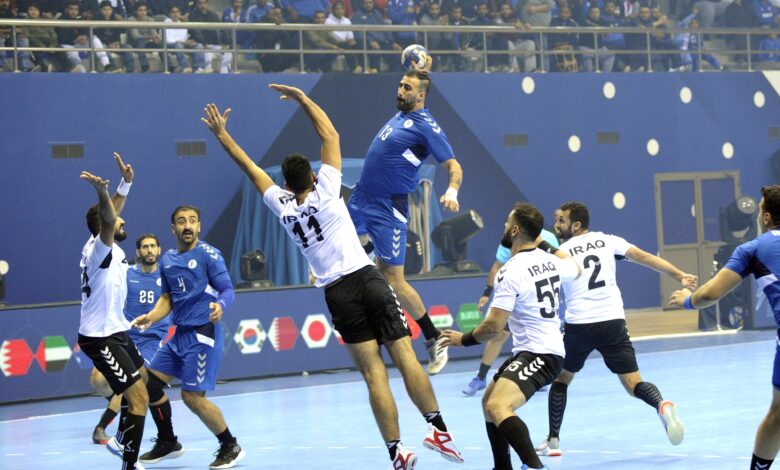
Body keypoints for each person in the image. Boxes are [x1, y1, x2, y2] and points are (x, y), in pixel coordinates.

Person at [200, 84, 463, 469]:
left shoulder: (282, 207)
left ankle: (396, 452)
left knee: (373, 374)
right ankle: (437, 429)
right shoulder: (327, 188)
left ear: (285, 185)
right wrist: (304, 100)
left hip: (337, 294)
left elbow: (250, 169)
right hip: (367, 280)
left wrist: (223, 135)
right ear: (314, 174)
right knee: (404, 353)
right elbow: (330, 135)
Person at [534, 201, 695, 458]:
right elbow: (644, 257)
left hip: (579, 325)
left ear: (576, 225)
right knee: (634, 384)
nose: (556, 225)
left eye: (561, 220)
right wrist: (679, 275)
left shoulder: (561, 252)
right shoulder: (608, 241)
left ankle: (553, 441)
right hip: (613, 323)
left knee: (561, 380)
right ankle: (661, 404)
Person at [441, 202, 581, 470]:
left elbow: (493, 326)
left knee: (498, 405)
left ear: (515, 230)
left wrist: (463, 340)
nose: (504, 226)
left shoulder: (511, 271)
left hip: (540, 354)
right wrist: (544, 244)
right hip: (534, 351)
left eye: (507, 222)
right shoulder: (551, 260)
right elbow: (575, 267)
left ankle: (535, 466)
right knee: (488, 401)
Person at [347, 70, 463, 375]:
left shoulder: (427, 126)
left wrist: (452, 190)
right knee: (352, 258)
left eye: (407, 87)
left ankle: (434, 338)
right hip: (361, 197)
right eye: (400, 85)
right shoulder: (402, 115)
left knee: (394, 281)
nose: (400, 90)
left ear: (421, 95)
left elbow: (454, 165)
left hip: (389, 208)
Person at [670, 185, 780, 470]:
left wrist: (686, 301)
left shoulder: (753, 249)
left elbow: (709, 295)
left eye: (759, 210)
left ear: (766, 217)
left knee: (778, 413)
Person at [132, 206, 244, 469]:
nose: (187, 226)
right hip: (179, 334)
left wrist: (221, 306)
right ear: (173, 228)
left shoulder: (209, 255)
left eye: (192, 221)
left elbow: (227, 290)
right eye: (182, 221)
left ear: (199, 226)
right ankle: (168, 441)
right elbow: (167, 298)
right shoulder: (168, 260)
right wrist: (152, 316)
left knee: (192, 397)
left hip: (202, 334)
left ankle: (230, 445)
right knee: (149, 384)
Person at [77, 153, 148, 470]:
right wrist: (102, 192)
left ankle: (121, 438)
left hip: (117, 330)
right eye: (117, 219)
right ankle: (129, 464)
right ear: (105, 226)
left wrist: (125, 183)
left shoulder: (104, 243)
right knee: (139, 398)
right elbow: (108, 217)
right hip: (100, 337)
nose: (122, 220)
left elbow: (110, 214)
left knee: (142, 379)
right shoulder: (99, 250)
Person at [91, 234, 173, 449]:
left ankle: (102, 426)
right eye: (145, 247)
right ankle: (122, 403)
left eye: (153, 246)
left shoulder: (167, 276)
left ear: (159, 250)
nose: (149, 250)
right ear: (138, 252)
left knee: (130, 380)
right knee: (97, 380)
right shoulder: (126, 273)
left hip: (152, 341)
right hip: (126, 336)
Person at [462, 228, 560, 396]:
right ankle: (480, 377)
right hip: (516, 296)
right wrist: (486, 293)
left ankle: (540, 376)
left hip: (538, 302)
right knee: (498, 335)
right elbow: (497, 266)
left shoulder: (549, 238)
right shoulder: (511, 239)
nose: (506, 225)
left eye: (510, 220)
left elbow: (559, 267)